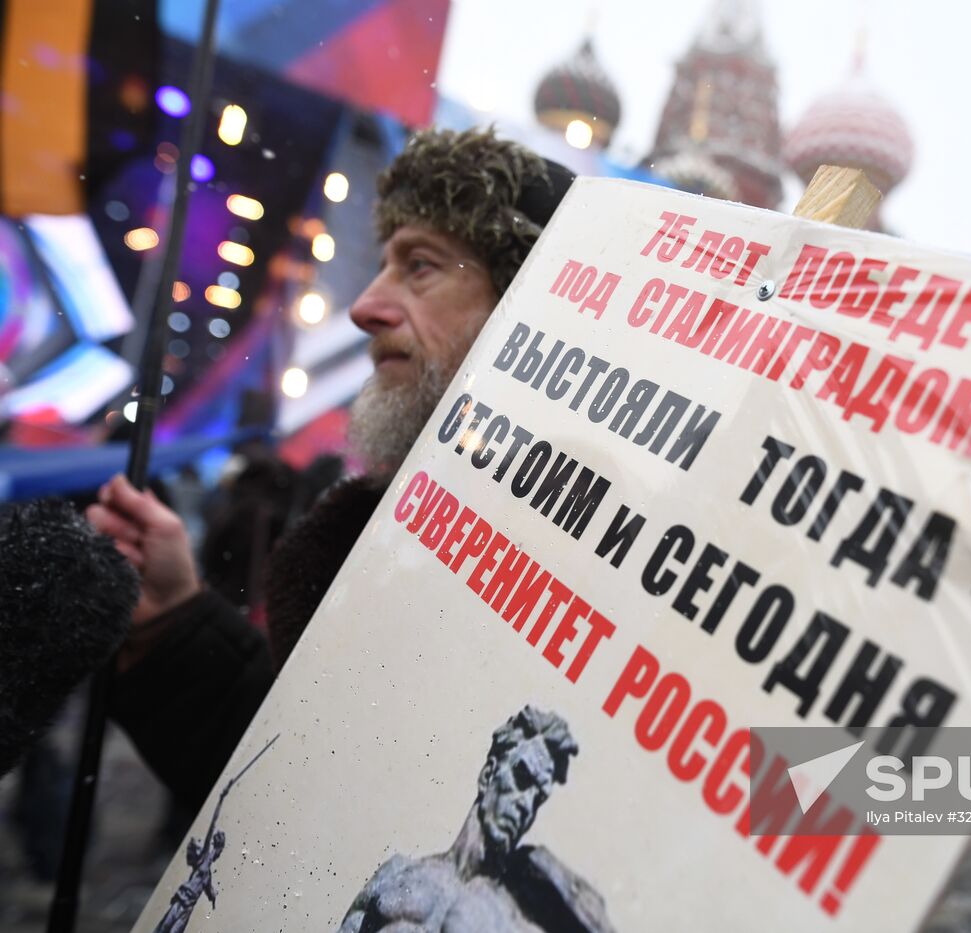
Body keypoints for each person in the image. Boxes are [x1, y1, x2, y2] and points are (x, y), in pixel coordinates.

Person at [86, 128, 574, 812]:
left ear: (530, 300)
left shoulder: (622, 559)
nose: (365, 307)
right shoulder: (376, 530)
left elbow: (776, 818)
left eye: (421, 265)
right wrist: (176, 622)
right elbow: (301, 796)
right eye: (383, 264)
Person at [338, 706, 613, 933]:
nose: (526, 804)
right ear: (488, 774)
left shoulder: (510, 920)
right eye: (522, 778)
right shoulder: (399, 874)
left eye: (538, 799)